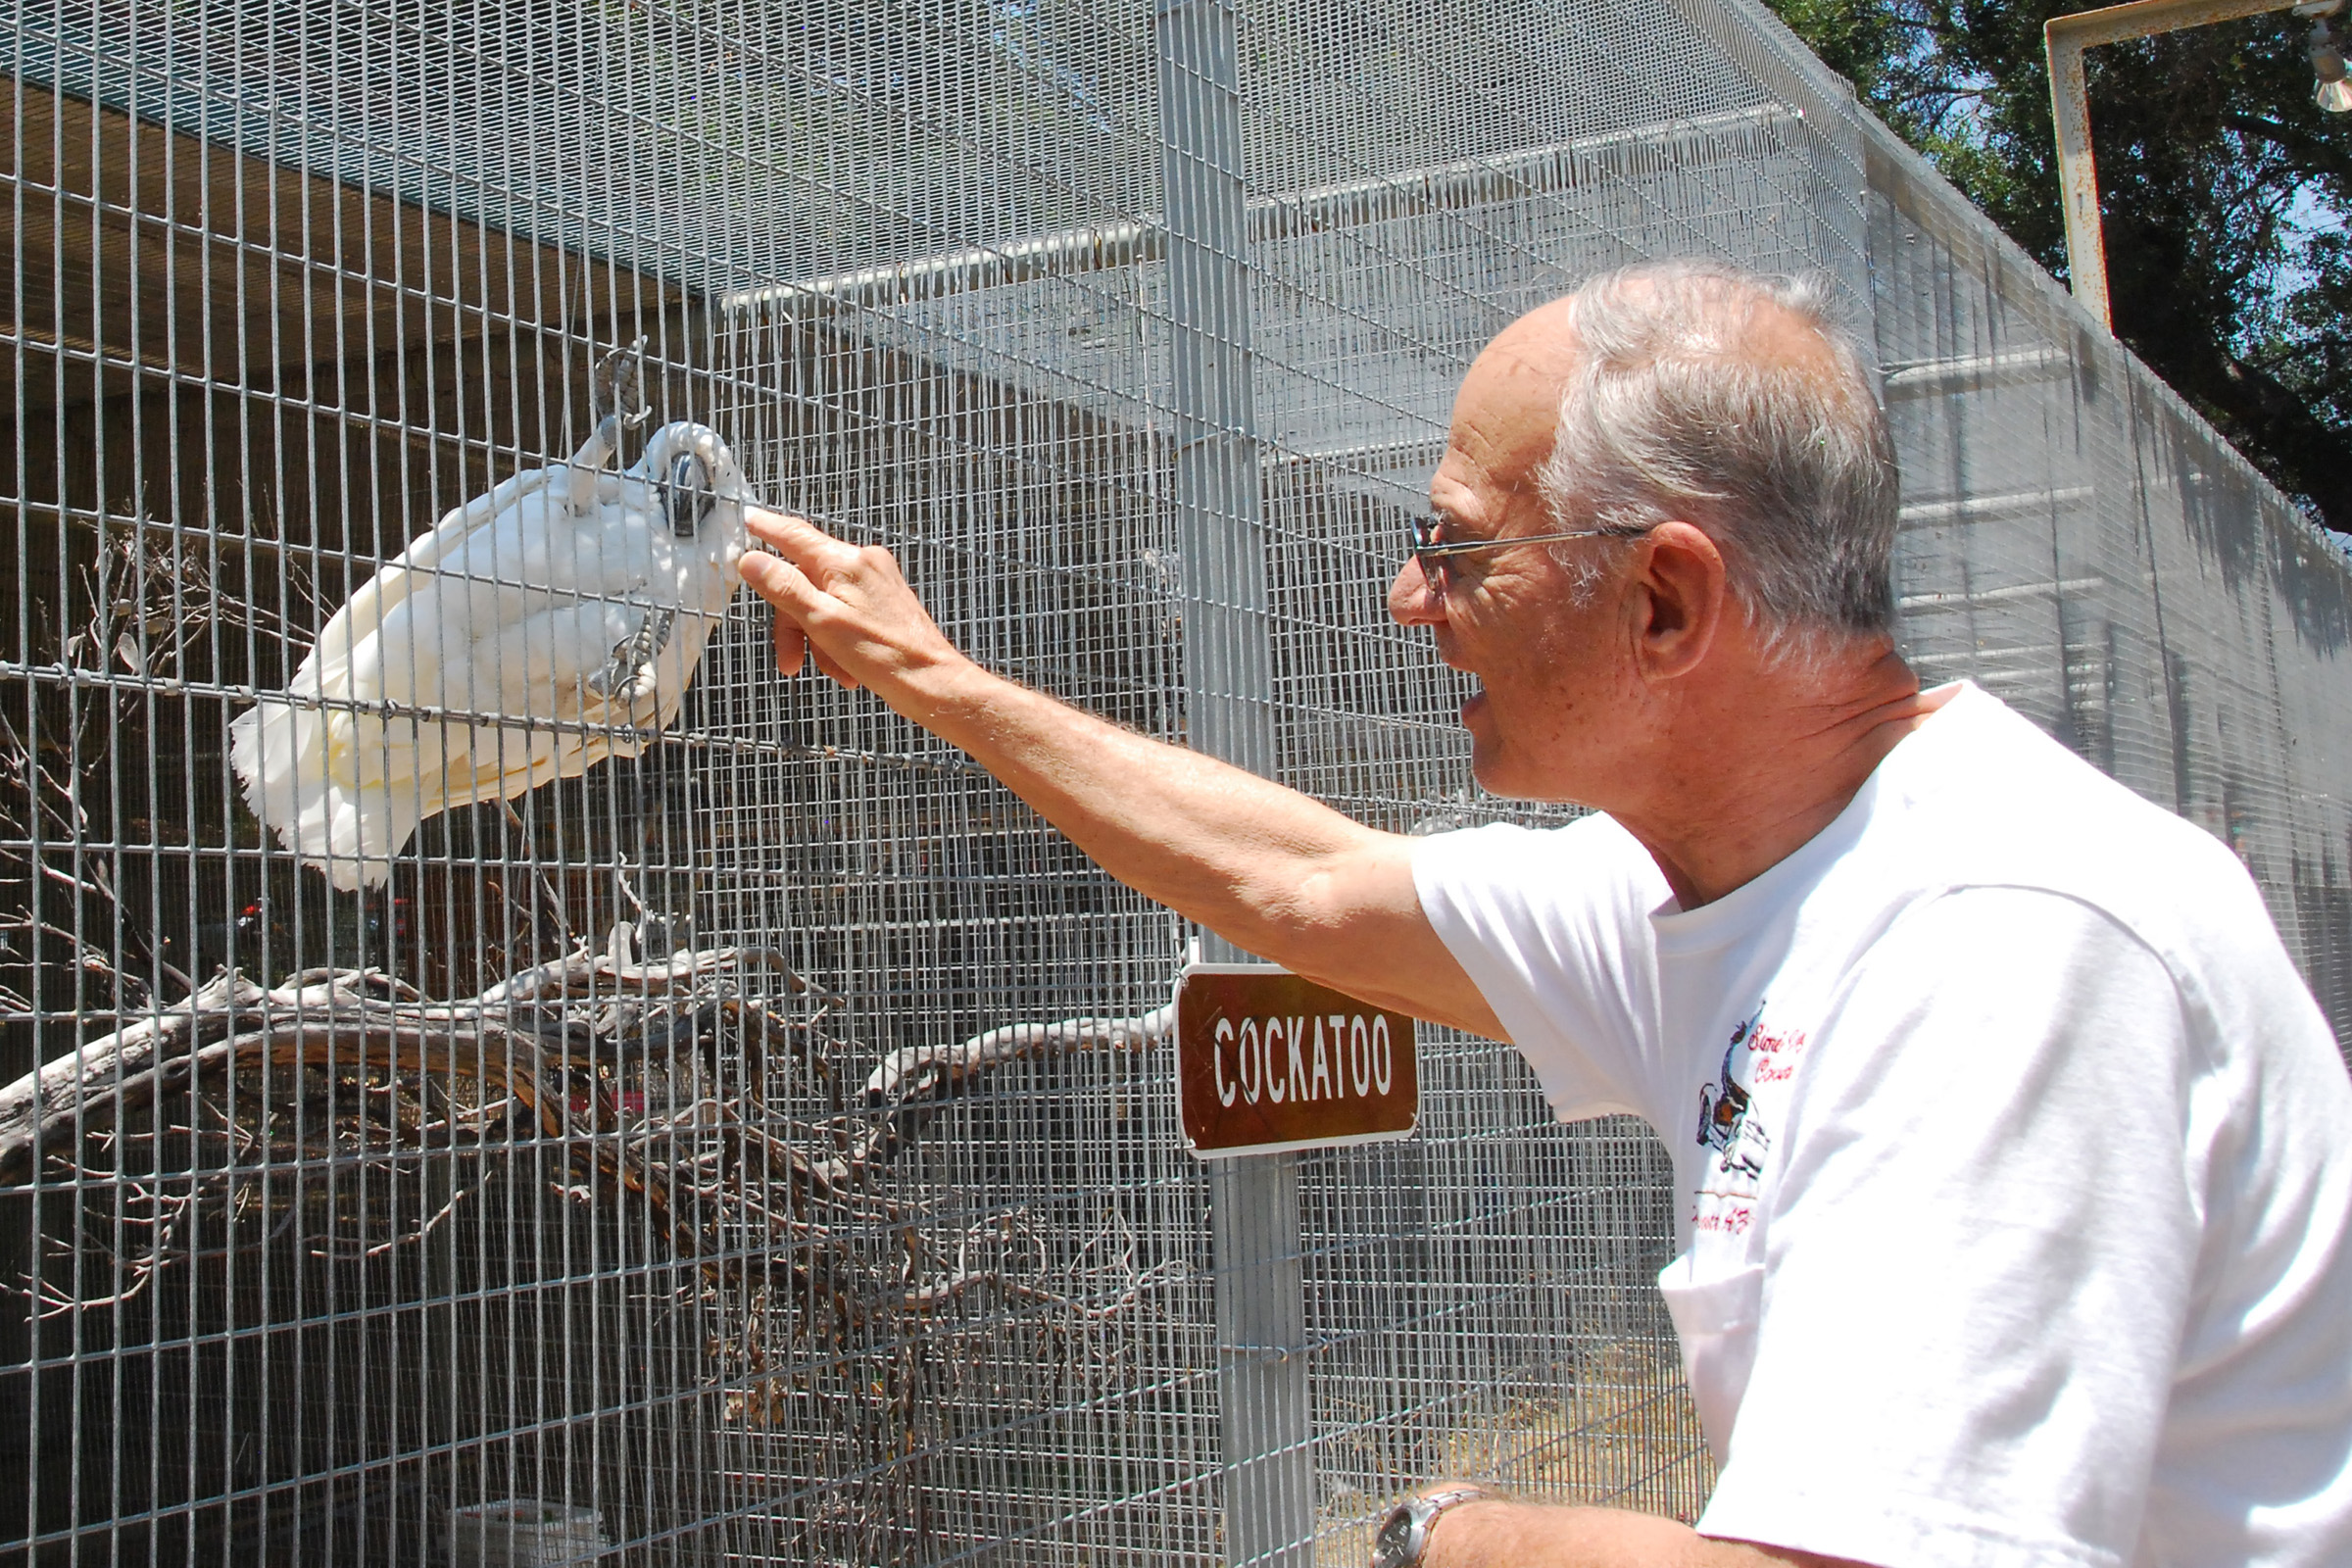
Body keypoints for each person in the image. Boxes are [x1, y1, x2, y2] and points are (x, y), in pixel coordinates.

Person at [735, 260, 2352, 1568]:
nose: (1407, 597)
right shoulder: (1727, 871)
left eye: (1455, 547)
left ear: (1664, 600)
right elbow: (1301, 885)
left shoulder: (2000, 947)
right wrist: (936, 682)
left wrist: (1447, 1533)